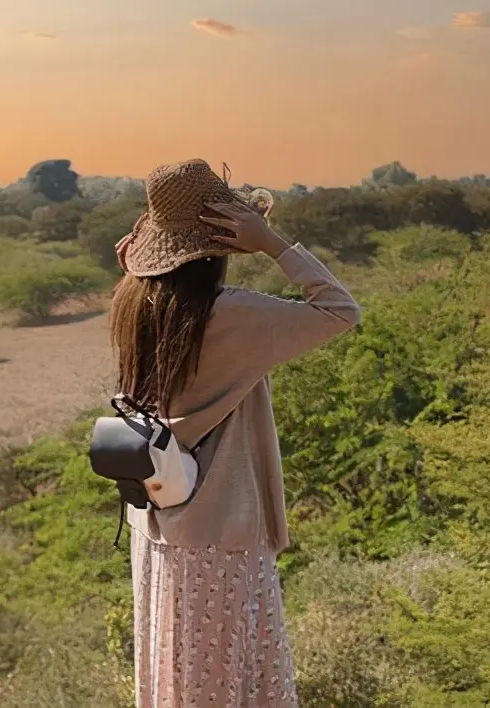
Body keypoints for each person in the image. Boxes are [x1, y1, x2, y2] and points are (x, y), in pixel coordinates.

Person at [109, 159, 361, 707]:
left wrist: (138, 262)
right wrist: (272, 243)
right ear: (218, 248)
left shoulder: (134, 303)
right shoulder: (231, 315)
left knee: (177, 678)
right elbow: (341, 310)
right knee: (225, 685)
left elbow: (137, 271)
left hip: (156, 522)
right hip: (219, 533)